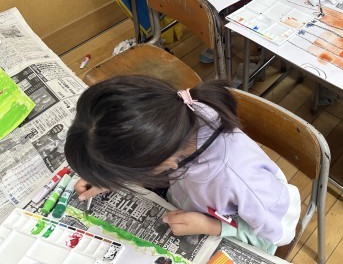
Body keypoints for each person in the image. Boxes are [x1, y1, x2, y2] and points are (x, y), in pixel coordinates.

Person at [65, 76, 301, 254]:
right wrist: (109, 174)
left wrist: (213, 227)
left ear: (162, 158)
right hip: (185, 198)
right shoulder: (175, 119)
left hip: (231, 228)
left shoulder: (240, 179)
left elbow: (280, 236)